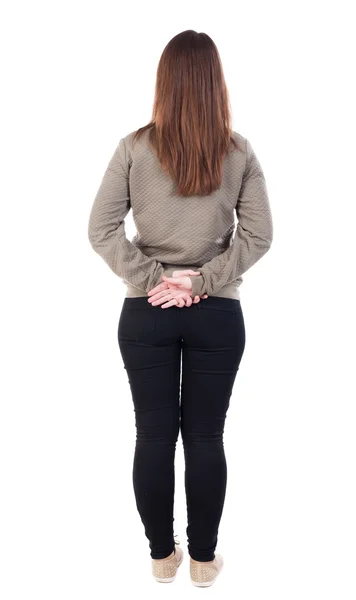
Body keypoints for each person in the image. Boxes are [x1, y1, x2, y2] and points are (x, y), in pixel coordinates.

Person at [87, 29, 273, 587]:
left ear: (164, 81)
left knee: (153, 435)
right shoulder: (238, 150)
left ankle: (161, 557)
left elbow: (100, 230)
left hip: (146, 314)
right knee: (206, 437)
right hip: (218, 313)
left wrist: (155, 281)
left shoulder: (134, 147)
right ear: (215, 82)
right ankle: (203, 562)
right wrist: (204, 281)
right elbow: (259, 236)